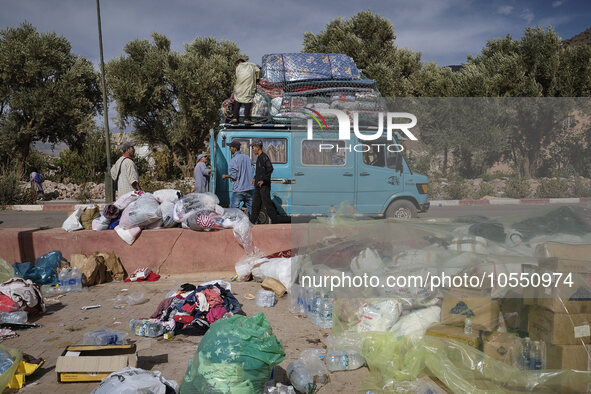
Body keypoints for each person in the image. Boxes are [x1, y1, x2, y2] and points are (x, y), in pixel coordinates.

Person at [250, 139, 290, 224]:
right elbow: (260, 171)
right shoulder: (259, 157)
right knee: (255, 205)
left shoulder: (264, 157)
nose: (252, 149)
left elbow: (270, 169)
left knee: (268, 205)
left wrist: (263, 180)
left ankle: (275, 223)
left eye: (253, 147)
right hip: (258, 186)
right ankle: (252, 222)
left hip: (264, 186)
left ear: (257, 147)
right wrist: (255, 178)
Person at [222, 140, 254, 214]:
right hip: (250, 188)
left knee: (233, 210)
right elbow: (252, 170)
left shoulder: (233, 160)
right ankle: (255, 224)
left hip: (239, 190)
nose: (230, 149)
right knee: (252, 210)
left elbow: (234, 176)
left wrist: (225, 176)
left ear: (235, 149)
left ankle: (236, 224)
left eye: (231, 147)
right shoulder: (247, 157)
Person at [230, 58, 260, 125]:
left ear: (238, 63)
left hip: (239, 86)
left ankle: (235, 118)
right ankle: (246, 119)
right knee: (247, 100)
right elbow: (258, 71)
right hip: (248, 86)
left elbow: (237, 76)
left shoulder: (238, 67)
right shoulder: (252, 65)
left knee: (237, 100)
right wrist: (257, 79)